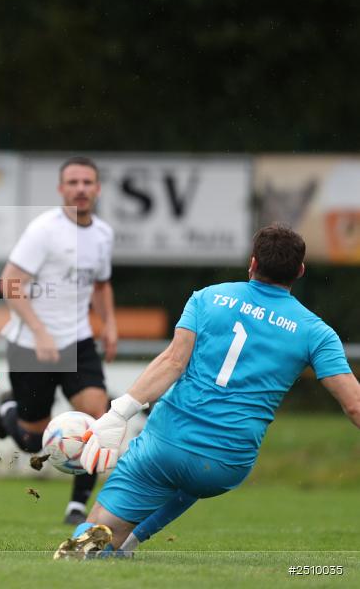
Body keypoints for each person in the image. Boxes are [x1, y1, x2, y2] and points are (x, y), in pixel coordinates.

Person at [55, 224, 360, 558]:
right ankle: (132, 541)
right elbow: (354, 406)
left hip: (167, 444)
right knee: (190, 480)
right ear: (300, 271)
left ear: (252, 263)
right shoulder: (316, 332)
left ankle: (97, 548)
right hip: (226, 463)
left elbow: (172, 362)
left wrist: (118, 414)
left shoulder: (207, 298)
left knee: (99, 528)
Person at [0, 156, 116, 525]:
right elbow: (9, 283)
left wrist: (109, 324)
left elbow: (101, 283)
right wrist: (41, 332)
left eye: (87, 182)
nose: (80, 188)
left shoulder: (103, 234)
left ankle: (78, 505)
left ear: (97, 188)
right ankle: (7, 414)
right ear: (61, 189)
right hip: (33, 345)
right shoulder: (44, 230)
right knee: (33, 441)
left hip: (78, 341)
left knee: (99, 420)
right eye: (73, 182)